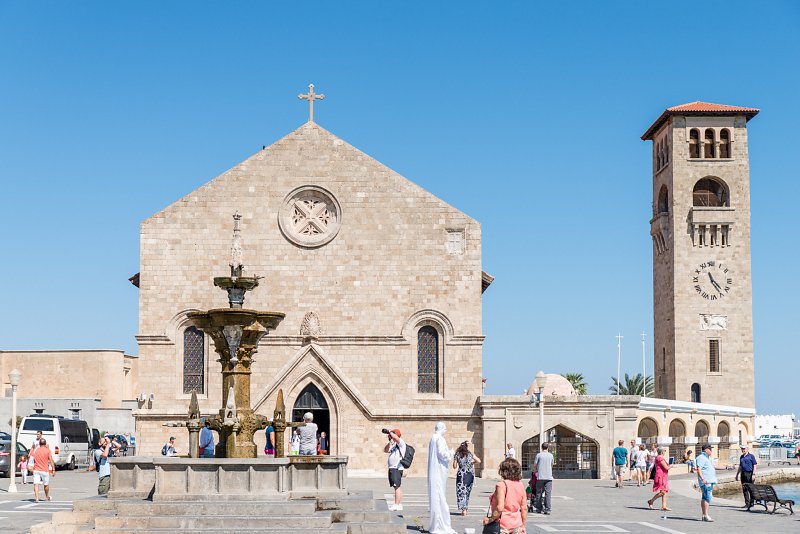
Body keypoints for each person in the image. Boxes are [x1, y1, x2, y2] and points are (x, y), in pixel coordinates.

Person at [482, 457, 527, 534]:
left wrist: (490, 519)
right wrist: (523, 525)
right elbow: (524, 508)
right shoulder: (521, 485)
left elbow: (500, 508)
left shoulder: (501, 485)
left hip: (503, 525)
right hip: (517, 524)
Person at [427, 422, 456, 534]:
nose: (446, 431)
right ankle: (441, 525)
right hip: (439, 472)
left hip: (434, 472)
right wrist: (451, 453)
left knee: (436, 496)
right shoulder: (440, 439)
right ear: (442, 428)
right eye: (445, 429)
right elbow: (442, 454)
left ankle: (436, 525)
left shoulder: (432, 438)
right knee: (439, 496)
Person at [452, 440, 481, 516]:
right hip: (469, 474)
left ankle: (463, 509)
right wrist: (471, 462)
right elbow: (479, 460)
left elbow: (454, 466)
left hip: (461, 475)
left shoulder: (457, 454)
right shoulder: (470, 454)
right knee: (467, 492)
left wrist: (456, 461)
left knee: (461, 492)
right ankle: (465, 509)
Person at [384, 428, 406, 512]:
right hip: (393, 468)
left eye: (393, 434)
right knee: (396, 486)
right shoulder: (393, 444)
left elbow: (396, 438)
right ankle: (399, 504)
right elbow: (385, 450)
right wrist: (390, 442)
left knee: (396, 486)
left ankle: (396, 504)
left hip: (396, 467)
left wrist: (390, 432)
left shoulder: (401, 443)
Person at [694, 444, 717, 522]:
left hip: (709, 480)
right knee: (707, 497)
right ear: (706, 450)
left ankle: (704, 515)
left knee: (705, 497)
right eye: (710, 449)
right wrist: (703, 478)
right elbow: (699, 469)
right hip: (706, 481)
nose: (711, 451)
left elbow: (713, 467)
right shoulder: (701, 458)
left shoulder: (708, 458)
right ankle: (706, 515)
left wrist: (726, 467)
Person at [32, 438, 56, 503]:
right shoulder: (48, 451)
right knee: (46, 484)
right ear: (45, 444)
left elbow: (34, 459)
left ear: (39, 444)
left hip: (36, 469)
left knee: (36, 484)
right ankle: (46, 496)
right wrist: (53, 469)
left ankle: (37, 498)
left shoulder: (36, 451)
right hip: (44, 470)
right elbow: (51, 460)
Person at [534, 442, 554, 515]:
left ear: (542, 447)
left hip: (540, 476)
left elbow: (535, 464)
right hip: (549, 477)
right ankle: (548, 509)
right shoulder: (551, 455)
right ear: (547, 447)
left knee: (538, 493)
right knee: (548, 493)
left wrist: (535, 471)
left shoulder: (538, 455)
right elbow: (552, 465)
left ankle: (539, 508)